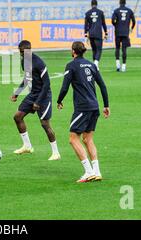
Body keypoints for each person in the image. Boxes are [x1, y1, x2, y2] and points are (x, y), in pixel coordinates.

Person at [57, 41, 110, 183]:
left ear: (73, 51)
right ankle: (97, 172)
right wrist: (106, 105)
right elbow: (102, 85)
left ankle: (88, 171)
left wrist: (59, 100)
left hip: (83, 108)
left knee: (73, 139)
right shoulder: (92, 65)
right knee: (88, 139)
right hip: (94, 107)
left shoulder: (71, 65)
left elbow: (64, 87)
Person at [11, 40, 60, 160]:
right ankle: (27, 146)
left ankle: (56, 152)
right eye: (20, 52)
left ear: (29, 50)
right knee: (17, 117)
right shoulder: (24, 61)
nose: (22, 54)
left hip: (44, 96)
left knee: (45, 124)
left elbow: (47, 84)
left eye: (23, 52)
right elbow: (27, 79)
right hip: (33, 94)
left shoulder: (39, 63)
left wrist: (38, 101)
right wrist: (17, 92)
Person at [112, 0, 136, 72]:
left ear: (119, 3)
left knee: (117, 48)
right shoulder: (129, 11)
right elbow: (134, 21)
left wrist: (116, 25)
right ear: (125, 3)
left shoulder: (116, 11)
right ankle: (124, 66)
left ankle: (118, 65)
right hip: (125, 32)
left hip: (118, 32)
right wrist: (131, 28)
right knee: (124, 49)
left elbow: (113, 20)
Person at [84, 0, 108, 70]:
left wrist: (86, 35)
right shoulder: (100, 12)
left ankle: (95, 65)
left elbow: (86, 25)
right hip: (98, 34)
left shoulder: (87, 13)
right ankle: (96, 63)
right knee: (99, 50)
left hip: (91, 34)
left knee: (94, 50)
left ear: (91, 5)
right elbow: (103, 23)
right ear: (96, 4)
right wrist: (106, 32)